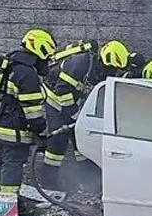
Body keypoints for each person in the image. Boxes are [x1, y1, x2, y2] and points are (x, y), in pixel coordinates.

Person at [40, 39, 132, 188]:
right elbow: (63, 91)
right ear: (105, 60)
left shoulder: (100, 69)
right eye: (112, 68)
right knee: (58, 142)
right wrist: (75, 116)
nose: (112, 72)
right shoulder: (80, 63)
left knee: (80, 138)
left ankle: (87, 179)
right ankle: (48, 183)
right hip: (55, 99)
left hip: (72, 100)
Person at [0, 29, 54, 215]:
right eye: (47, 54)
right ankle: (6, 208)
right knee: (13, 164)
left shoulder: (12, 63)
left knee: (1, 159)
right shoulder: (26, 73)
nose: (47, 60)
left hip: (1, 124)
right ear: (40, 48)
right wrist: (41, 131)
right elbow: (32, 109)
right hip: (14, 129)